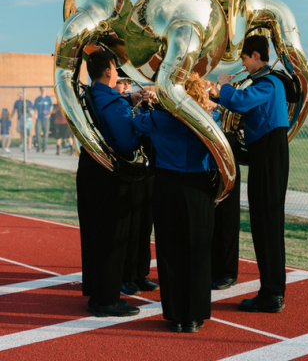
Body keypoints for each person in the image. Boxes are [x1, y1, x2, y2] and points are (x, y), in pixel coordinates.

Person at [133, 72, 216, 333]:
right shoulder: (209, 119)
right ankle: (194, 316)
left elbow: (136, 123)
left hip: (167, 183)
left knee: (170, 250)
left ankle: (175, 314)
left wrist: (153, 102)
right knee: (198, 251)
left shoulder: (157, 118)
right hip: (198, 186)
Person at [217, 34, 289, 313]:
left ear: (256, 56)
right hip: (265, 156)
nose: (244, 65)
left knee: (267, 226)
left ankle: (272, 294)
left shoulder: (269, 82)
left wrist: (224, 86)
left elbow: (239, 102)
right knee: (263, 224)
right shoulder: (266, 81)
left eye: (245, 59)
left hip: (269, 157)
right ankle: (271, 290)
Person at [77, 51, 149, 318]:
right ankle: (107, 300)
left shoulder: (89, 95)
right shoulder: (115, 105)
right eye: (116, 69)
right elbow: (128, 143)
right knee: (113, 239)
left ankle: (97, 295)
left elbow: (108, 108)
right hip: (110, 179)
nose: (118, 73)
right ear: (108, 71)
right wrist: (142, 123)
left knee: (95, 236)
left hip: (89, 172)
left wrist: (131, 98)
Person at [114, 75, 159, 295]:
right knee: (129, 228)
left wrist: (152, 104)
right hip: (127, 173)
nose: (127, 87)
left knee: (144, 226)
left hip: (146, 172)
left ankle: (141, 274)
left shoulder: (141, 107)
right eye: (121, 83)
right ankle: (126, 276)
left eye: (129, 84)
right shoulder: (118, 105)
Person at [206, 81, 241, 291]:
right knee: (209, 221)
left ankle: (228, 272)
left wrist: (216, 104)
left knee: (227, 220)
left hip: (227, 167)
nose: (208, 84)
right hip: (206, 168)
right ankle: (212, 268)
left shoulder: (226, 104)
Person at [34, 87, 53, 153]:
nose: (43, 91)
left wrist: (49, 114)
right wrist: (36, 114)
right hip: (39, 118)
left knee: (46, 134)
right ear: (40, 90)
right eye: (42, 90)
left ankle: (44, 148)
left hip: (46, 118)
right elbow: (35, 108)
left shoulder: (48, 98)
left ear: (46, 90)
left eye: (44, 90)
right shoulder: (37, 99)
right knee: (38, 133)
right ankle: (38, 147)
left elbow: (51, 106)